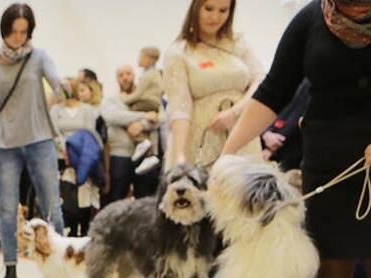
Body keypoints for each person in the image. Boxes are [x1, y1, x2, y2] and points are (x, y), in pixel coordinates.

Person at [221, 0, 371, 278]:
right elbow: (274, 89)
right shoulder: (310, 18)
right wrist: (229, 151)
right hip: (327, 154)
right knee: (332, 264)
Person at [0, 2, 64, 278]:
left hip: (40, 139)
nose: (18, 37)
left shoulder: (38, 56)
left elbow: (58, 85)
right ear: (4, 30)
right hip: (4, 143)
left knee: (52, 204)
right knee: (6, 209)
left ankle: (61, 269)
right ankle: (10, 270)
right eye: (13, 31)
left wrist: (63, 88)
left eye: (24, 32)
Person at [164, 0, 264, 168]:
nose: (215, 17)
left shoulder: (239, 43)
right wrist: (180, 155)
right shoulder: (179, 51)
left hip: (242, 133)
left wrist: (235, 112)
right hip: (200, 138)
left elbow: (260, 81)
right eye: (209, 9)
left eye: (223, 10)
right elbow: (180, 108)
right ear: (196, 8)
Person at [50, 77, 104, 236]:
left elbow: (89, 133)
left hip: (82, 158)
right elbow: (53, 132)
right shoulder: (55, 110)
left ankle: (84, 231)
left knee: (84, 195)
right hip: (62, 158)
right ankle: (71, 230)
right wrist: (65, 146)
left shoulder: (87, 110)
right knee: (67, 195)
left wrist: (75, 147)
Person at [103, 64, 163, 202]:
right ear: (117, 79)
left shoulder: (147, 96)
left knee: (146, 199)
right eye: (121, 75)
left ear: (134, 75)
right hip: (120, 156)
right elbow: (112, 116)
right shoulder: (111, 99)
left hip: (146, 157)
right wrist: (143, 116)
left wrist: (141, 125)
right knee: (117, 198)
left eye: (128, 74)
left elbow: (161, 117)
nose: (125, 78)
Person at [121, 46, 163, 172]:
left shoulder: (147, 75)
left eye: (140, 57)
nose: (138, 60)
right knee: (150, 126)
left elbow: (138, 94)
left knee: (126, 118)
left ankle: (142, 141)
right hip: (154, 103)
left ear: (148, 59)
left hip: (146, 102)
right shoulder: (156, 73)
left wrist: (123, 99)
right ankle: (151, 155)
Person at [260, 77, 309, 171]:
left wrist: (275, 144)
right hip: (279, 147)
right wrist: (267, 133)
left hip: (299, 155)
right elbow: (289, 108)